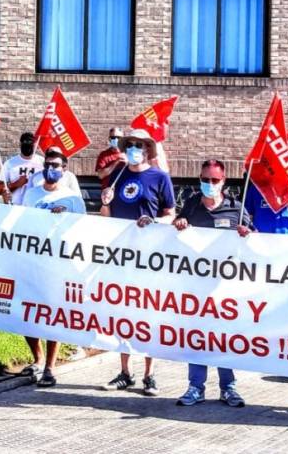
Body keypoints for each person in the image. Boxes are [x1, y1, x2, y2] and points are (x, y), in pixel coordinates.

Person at [99, 128, 176, 396]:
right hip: (121, 256)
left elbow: (170, 214)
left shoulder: (159, 177)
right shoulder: (118, 174)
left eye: (137, 145)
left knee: (147, 314)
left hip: (149, 256)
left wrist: (154, 222)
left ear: (147, 149)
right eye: (128, 144)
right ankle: (125, 371)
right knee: (123, 313)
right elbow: (107, 219)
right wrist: (105, 203)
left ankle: (149, 374)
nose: (132, 148)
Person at [172, 159, 252, 407]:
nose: (209, 184)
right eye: (205, 179)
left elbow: (254, 243)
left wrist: (247, 234)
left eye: (214, 180)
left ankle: (228, 388)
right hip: (196, 287)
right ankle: (196, 387)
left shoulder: (236, 208)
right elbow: (174, 235)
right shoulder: (191, 205)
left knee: (224, 338)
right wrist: (179, 224)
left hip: (226, 289)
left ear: (224, 181)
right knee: (197, 337)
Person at [20, 150, 87, 387]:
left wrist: (65, 217)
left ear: (64, 169)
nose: (51, 168)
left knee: (52, 316)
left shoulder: (72, 199)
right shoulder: (31, 194)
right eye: (47, 164)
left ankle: (50, 366)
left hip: (58, 264)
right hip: (32, 261)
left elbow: (83, 231)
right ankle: (37, 359)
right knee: (26, 313)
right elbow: (21, 223)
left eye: (56, 165)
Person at [0, 133, 44, 205]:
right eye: (25, 143)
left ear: (35, 145)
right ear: (20, 144)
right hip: (15, 206)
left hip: (36, 207)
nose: (27, 146)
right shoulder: (10, 163)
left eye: (30, 143)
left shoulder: (43, 162)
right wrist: (16, 184)